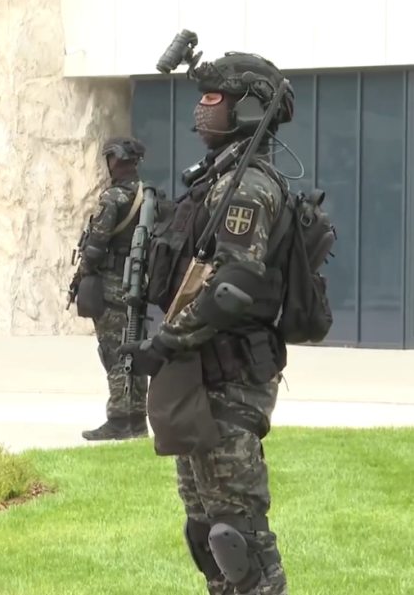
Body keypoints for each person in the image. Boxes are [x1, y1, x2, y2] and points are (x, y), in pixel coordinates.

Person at [116, 52, 295, 594]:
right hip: (198, 378)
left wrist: (166, 342)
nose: (201, 108)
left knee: (237, 537)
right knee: (205, 534)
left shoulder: (248, 186)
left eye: (214, 98)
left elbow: (231, 288)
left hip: (231, 380)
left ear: (249, 108)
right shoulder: (216, 180)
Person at [79, 137, 150, 441]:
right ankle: (137, 419)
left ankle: (120, 419)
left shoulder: (114, 198)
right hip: (138, 283)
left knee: (114, 351)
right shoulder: (148, 196)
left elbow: (96, 245)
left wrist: (84, 271)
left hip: (112, 285)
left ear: (115, 160)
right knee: (135, 350)